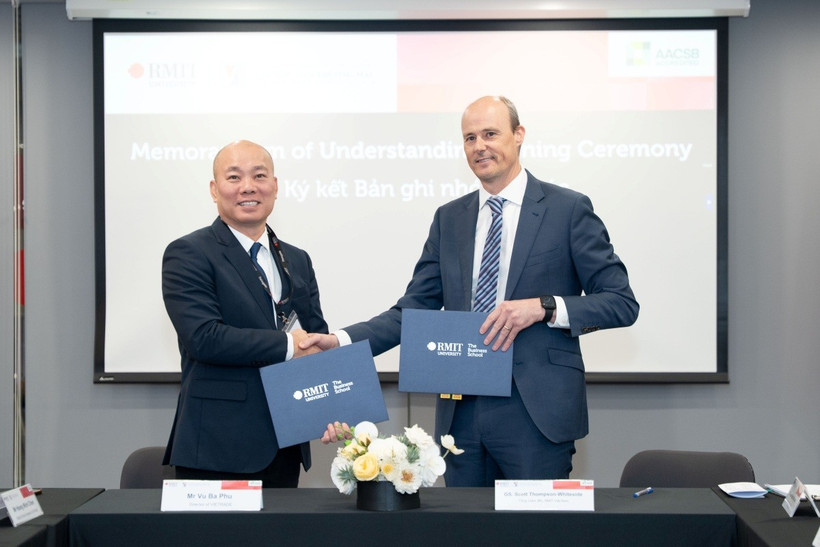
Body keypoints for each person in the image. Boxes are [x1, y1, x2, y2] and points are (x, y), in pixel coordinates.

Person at [312, 96, 639, 486]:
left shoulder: (567, 209)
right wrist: (342, 340)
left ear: (519, 136)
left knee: (537, 534)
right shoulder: (449, 218)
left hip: (535, 414)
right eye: (469, 138)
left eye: (490, 134)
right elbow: (413, 311)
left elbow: (621, 302)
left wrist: (545, 306)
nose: (479, 146)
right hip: (461, 416)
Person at [161, 139, 328, 487]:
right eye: (234, 177)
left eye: (259, 175)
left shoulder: (297, 258)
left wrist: (331, 407)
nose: (248, 187)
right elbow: (204, 339)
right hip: (219, 445)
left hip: (286, 441)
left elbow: (315, 342)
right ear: (214, 188)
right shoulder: (189, 253)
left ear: (275, 186)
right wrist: (288, 345)